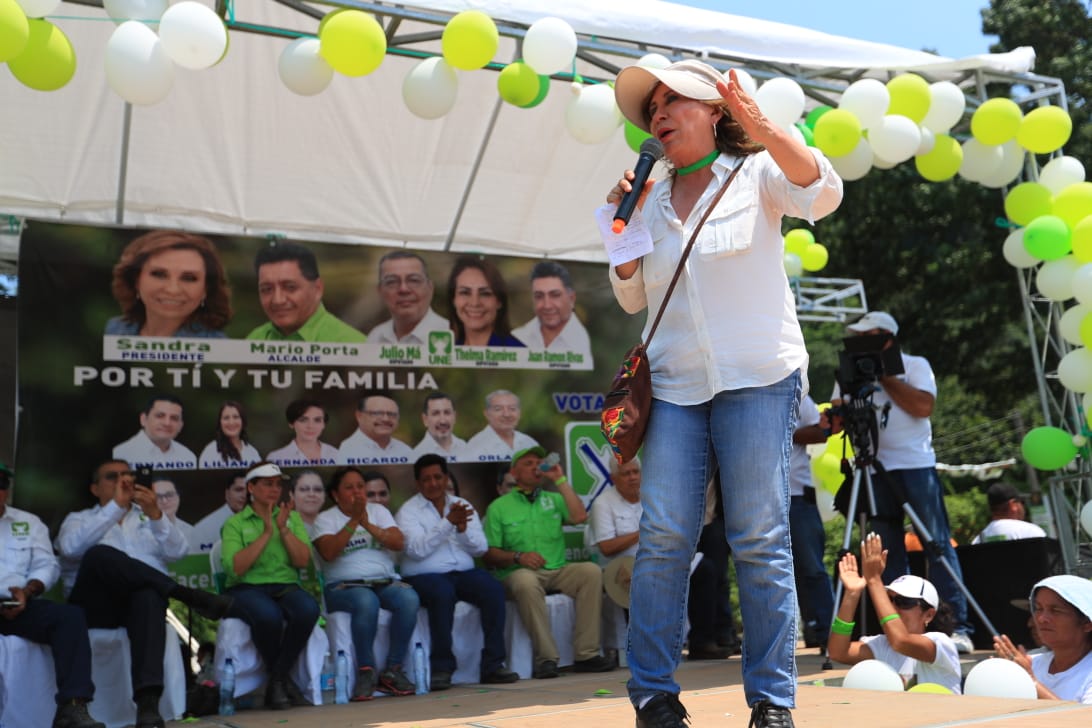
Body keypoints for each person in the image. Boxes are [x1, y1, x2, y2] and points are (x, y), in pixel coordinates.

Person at [608, 58, 842, 728]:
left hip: (758, 378)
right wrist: (622, 240)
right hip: (677, 384)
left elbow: (821, 191)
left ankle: (772, 701)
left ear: (714, 110)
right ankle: (652, 694)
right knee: (665, 536)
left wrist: (764, 125)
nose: (657, 112)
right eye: (650, 106)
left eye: (672, 100)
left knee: (759, 535)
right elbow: (631, 295)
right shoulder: (642, 197)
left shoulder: (756, 171)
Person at [56, 460, 233, 728]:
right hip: (95, 608)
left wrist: (155, 515)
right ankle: (185, 595)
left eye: (127, 475)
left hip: (140, 609)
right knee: (99, 554)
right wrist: (115, 508)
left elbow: (178, 551)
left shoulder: (149, 518)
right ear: (94, 488)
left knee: (148, 594)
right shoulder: (80, 519)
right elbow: (70, 549)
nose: (123, 481)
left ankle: (148, 703)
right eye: (112, 477)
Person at [838, 310, 974, 653]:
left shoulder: (914, 364)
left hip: (915, 467)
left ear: (887, 338)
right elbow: (840, 420)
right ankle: (895, 629)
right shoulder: (849, 370)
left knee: (937, 544)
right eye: (856, 336)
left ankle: (957, 626)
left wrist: (884, 377)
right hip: (871, 469)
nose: (860, 344)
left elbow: (923, 406)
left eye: (867, 336)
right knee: (885, 554)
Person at [482, 446, 615, 679]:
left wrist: (559, 478)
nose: (536, 467)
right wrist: (517, 556)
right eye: (528, 463)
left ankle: (586, 654)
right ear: (514, 472)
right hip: (519, 571)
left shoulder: (553, 498)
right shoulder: (498, 507)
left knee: (591, 572)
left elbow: (579, 517)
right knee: (524, 581)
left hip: (557, 569)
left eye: (538, 462)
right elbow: (489, 553)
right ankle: (547, 659)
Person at [395, 454, 519, 690]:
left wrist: (462, 530)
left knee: (492, 589)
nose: (433, 483)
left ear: (445, 478)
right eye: (426, 479)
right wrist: (448, 523)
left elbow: (480, 549)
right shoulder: (408, 511)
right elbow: (417, 550)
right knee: (442, 592)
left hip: (462, 574)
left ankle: (493, 665)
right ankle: (442, 667)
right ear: (418, 483)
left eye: (438, 477)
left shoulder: (462, 505)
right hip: (423, 577)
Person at [0, 461, 105, 728]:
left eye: (1, 484)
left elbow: (48, 565)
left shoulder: (28, 522)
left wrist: (27, 590)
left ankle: (72, 707)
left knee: (69, 616)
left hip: (19, 602)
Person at [219, 462, 319, 710]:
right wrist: (265, 532)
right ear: (251, 487)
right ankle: (282, 683)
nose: (274, 489)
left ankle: (277, 679)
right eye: (267, 484)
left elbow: (303, 562)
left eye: (277, 484)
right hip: (246, 588)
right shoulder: (235, 523)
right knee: (268, 617)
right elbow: (235, 568)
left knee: (308, 610)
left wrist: (283, 529)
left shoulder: (291, 518)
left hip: (285, 586)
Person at [313, 466, 418, 700]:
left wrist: (367, 523)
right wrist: (353, 521)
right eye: (349, 488)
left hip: (384, 581)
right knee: (366, 600)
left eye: (360, 486)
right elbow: (328, 552)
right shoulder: (325, 519)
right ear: (335, 494)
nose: (357, 492)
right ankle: (366, 671)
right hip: (343, 587)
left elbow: (398, 542)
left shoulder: (378, 512)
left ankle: (392, 670)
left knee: (409, 598)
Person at [829, 533, 961, 695]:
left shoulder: (941, 643)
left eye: (904, 602)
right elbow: (837, 652)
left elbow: (901, 641)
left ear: (929, 615)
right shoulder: (883, 644)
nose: (893, 608)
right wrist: (852, 594)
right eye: (891, 600)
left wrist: (874, 580)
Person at [105, 229, 231, 338]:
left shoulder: (218, 347)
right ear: (136, 281)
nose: (172, 289)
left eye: (188, 278)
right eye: (159, 274)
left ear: (206, 290)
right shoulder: (115, 329)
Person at [994, 575, 1092, 703]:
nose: (1041, 619)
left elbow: (1082, 721)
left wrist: (1030, 681)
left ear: (1087, 623)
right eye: (1039, 609)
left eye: (1055, 610)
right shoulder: (1031, 662)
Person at [245, 241, 365, 342]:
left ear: (318, 289)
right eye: (267, 289)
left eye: (290, 287)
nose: (278, 300)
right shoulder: (255, 340)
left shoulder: (352, 345)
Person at [789, 395, 835, 651]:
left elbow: (822, 432)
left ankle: (826, 631)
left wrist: (784, 431)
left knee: (811, 568)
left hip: (798, 496)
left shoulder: (799, 393)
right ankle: (811, 628)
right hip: (763, 497)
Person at [511, 261, 592, 363]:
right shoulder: (518, 337)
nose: (547, 305)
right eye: (539, 296)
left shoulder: (583, 340)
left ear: (571, 298)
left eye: (555, 295)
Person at [366, 251, 450, 344]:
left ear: (430, 288)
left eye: (413, 280)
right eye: (392, 282)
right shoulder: (376, 336)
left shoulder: (452, 334)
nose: (404, 289)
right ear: (380, 291)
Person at [446, 255, 525, 347]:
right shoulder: (445, 353)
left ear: (499, 301)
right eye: (465, 293)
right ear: (453, 300)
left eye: (485, 294)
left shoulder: (519, 353)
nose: (474, 303)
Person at [112, 394, 197, 470]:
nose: (167, 423)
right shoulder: (121, 454)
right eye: (160, 416)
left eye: (174, 418)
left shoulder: (188, 456)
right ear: (143, 419)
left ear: (180, 425)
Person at [590, 457, 642, 565]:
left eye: (636, 472)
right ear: (613, 479)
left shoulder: (653, 498)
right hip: (620, 568)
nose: (633, 477)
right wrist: (644, 532)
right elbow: (607, 547)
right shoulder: (602, 503)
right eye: (626, 474)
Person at [337, 393, 413, 465]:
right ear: (359, 416)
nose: (386, 419)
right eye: (377, 413)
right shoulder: (348, 449)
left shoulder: (405, 450)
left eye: (392, 414)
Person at [466, 390, 539, 461]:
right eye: (498, 409)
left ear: (520, 413)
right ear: (486, 414)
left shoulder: (529, 443)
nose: (506, 414)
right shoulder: (476, 446)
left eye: (512, 409)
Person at [266, 399, 338, 467]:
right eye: (303, 420)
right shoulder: (275, 458)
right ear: (291, 424)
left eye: (317, 420)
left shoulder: (336, 454)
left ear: (324, 425)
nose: (310, 426)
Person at [189, 472, 247, 553]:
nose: (244, 495)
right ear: (227, 494)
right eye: (239, 490)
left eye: (249, 491)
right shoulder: (205, 528)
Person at [972, 482, 1047, 544]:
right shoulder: (1031, 532)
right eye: (1021, 502)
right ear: (1013, 505)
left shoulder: (978, 540)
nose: (1023, 506)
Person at [198, 401, 262, 469]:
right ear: (220, 423)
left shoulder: (252, 453)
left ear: (243, 421)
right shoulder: (210, 452)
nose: (231, 422)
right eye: (226, 418)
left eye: (235, 417)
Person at [411, 391, 470, 462]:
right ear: (425, 419)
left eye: (447, 412)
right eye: (435, 413)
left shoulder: (466, 449)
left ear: (455, 417)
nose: (443, 421)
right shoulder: (416, 456)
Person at [151, 477, 194, 545]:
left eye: (169, 495)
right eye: (158, 496)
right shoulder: (140, 529)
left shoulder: (190, 531)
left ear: (178, 497)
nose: (164, 501)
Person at [290, 469, 326, 533]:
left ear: (324, 495)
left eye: (317, 489)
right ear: (292, 495)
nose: (311, 494)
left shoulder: (333, 525)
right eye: (304, 489)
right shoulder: (284, 525)